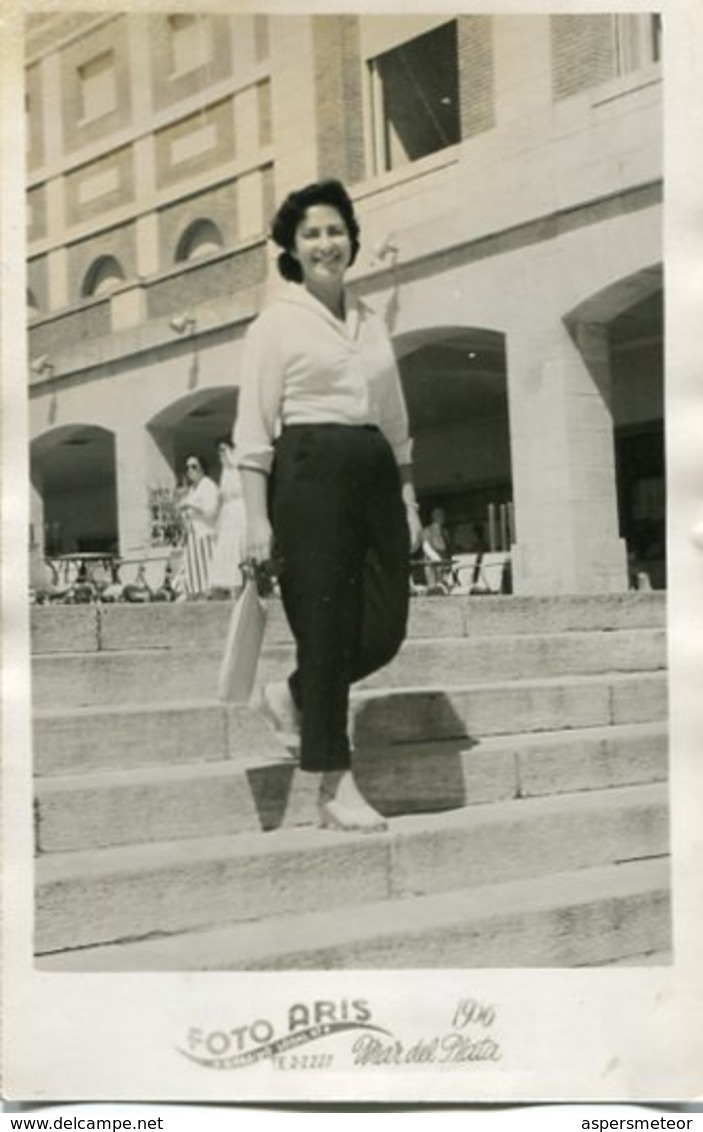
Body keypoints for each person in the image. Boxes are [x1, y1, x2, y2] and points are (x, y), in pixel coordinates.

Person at [234, 177, 423, 833]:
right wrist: (256, 521)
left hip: (374, 476)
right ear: (292, 246)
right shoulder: (275, 324)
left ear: (351, 240)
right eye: (311, 233)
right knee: (325, 626)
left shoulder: (370, 320)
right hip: (307, 479)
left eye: (335, 230)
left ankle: (288, 695)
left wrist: (406, 494)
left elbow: (394, 419)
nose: (325, 243)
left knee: (385, 625)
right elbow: (253, 435)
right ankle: (332, 785)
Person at [178, 454, 219, 598]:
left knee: (207, 573)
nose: (190, 470)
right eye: (187, 467)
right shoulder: (192, 489)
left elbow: (212, 512)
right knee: (195, 575)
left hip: (205, 535)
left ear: (202, 468)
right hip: (193, 536)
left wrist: (191, 505)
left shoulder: (208, 486)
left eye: (194, 466)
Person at [209, 437, 245, 597]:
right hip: (228, 514)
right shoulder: (225, 472)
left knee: (239, 547)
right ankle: (231, 588)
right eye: (220, 451)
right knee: (227, 550)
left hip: (240, 511)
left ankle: (243, 586)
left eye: (224, 450)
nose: (222, 455)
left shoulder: (239, 469)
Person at [422, 506, 452, 591]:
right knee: (433, 588)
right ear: (434, 517)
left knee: (445, 585)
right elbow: (426, 547)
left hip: (445, 561)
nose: (443, 517)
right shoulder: (427, 531)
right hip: (432, 563)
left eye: (443, 515)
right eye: (440, 515)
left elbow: (447, 547)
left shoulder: (445, 532)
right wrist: (437, 559)